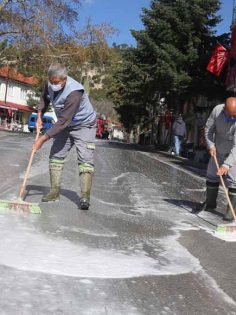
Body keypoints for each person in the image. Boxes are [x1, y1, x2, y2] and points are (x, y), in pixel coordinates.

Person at [33, 63, 96, 210]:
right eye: (51, 82)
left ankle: (85, 196)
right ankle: (54, 192)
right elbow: (44, 98)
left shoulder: (75, 92)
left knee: (85, 159)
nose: (53, 85)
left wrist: (42, 139)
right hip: (65, 124)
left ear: (64, 79)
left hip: (84, 125)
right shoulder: (49, 83)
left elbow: (64, 121)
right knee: (55, 155)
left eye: (57, 82)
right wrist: (39, 116)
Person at [202, 96, 236, 221]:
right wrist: (211, 145)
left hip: (234, 154)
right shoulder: (217, 110)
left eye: (235, 116)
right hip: (218, 151)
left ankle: (231, 213)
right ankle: (210, 204)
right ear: (224, 110)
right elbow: (208, 130)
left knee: (234, 182)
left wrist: (227, 165)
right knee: (211, 176)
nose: (232, 118)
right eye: (230, 115)